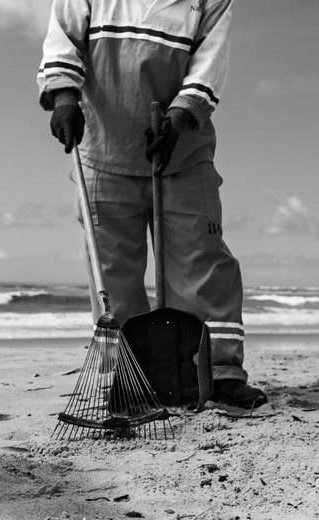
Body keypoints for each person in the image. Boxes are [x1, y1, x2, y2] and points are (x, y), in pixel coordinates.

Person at [36, 0, 267, 408]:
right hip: (103, 148)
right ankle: (132, 378)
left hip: (181, 151)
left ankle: (218, 373)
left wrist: (179, 117)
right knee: (112, 273)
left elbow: (208, 64)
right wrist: (64, 96)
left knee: (202, 263)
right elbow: (63, 39)